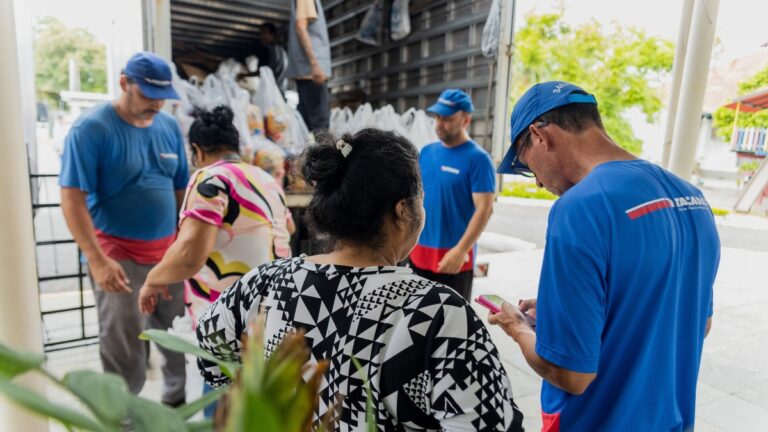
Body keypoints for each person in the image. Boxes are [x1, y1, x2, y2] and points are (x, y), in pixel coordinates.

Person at [196, 129, 524, 430]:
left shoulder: (265, 283)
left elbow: (211, 358)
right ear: (402, 211)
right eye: (421, 200)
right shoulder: (437, 313)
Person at [489, 81, 720, 431]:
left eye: (526, 165)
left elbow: (571, 374)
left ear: (539, 136)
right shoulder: (692, 199)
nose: (536, 182)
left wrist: (517, 328)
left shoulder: (579, 208)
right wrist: (577, 307)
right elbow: (696, 322)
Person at [59, 52, 189, 406]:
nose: (156, 104)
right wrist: (97, 260)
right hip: (118, 256)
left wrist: (187, 244)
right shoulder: (91, 129)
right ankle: (123, 419)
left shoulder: (168, 127)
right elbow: (71, 199)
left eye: (161, 96)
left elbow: (182, 190)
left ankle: (175, 404)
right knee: (124, 343)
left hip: (168, 253)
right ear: (123, 84)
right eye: (147, 94)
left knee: (179, 333)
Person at [137, 105, 292, 323]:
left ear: (197, 150)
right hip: (276, 307)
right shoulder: (267, 180)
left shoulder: (211, 179)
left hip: (230, 317)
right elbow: (288, 229)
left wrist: (152, 280)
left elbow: (190, 256)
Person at [409, 89, 495, 301]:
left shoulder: (478, 159)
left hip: (453, 259)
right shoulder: (426, 152)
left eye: (447, 119)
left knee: (451, 326)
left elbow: (485, 209)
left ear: (466, 120)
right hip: (418, 254)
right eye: (437, 117)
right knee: (416, 323)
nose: (439, 124)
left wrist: (461, 250)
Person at [286, 0, 331, 131]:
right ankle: (324, 152)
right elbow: (301, 27)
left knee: (305, 123)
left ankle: (309, 151)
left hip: (307, 72)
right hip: (311, 73)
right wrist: (315, 64)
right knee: (320, 122)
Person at [256, 23, 289, 94]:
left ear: (272, 34)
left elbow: (264, 72)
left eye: (264, 33)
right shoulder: (282, 51)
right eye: (261, 33)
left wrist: (245, 75)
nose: (262, 36)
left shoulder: (267, 50)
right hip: (281, 91)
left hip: (270, 91)